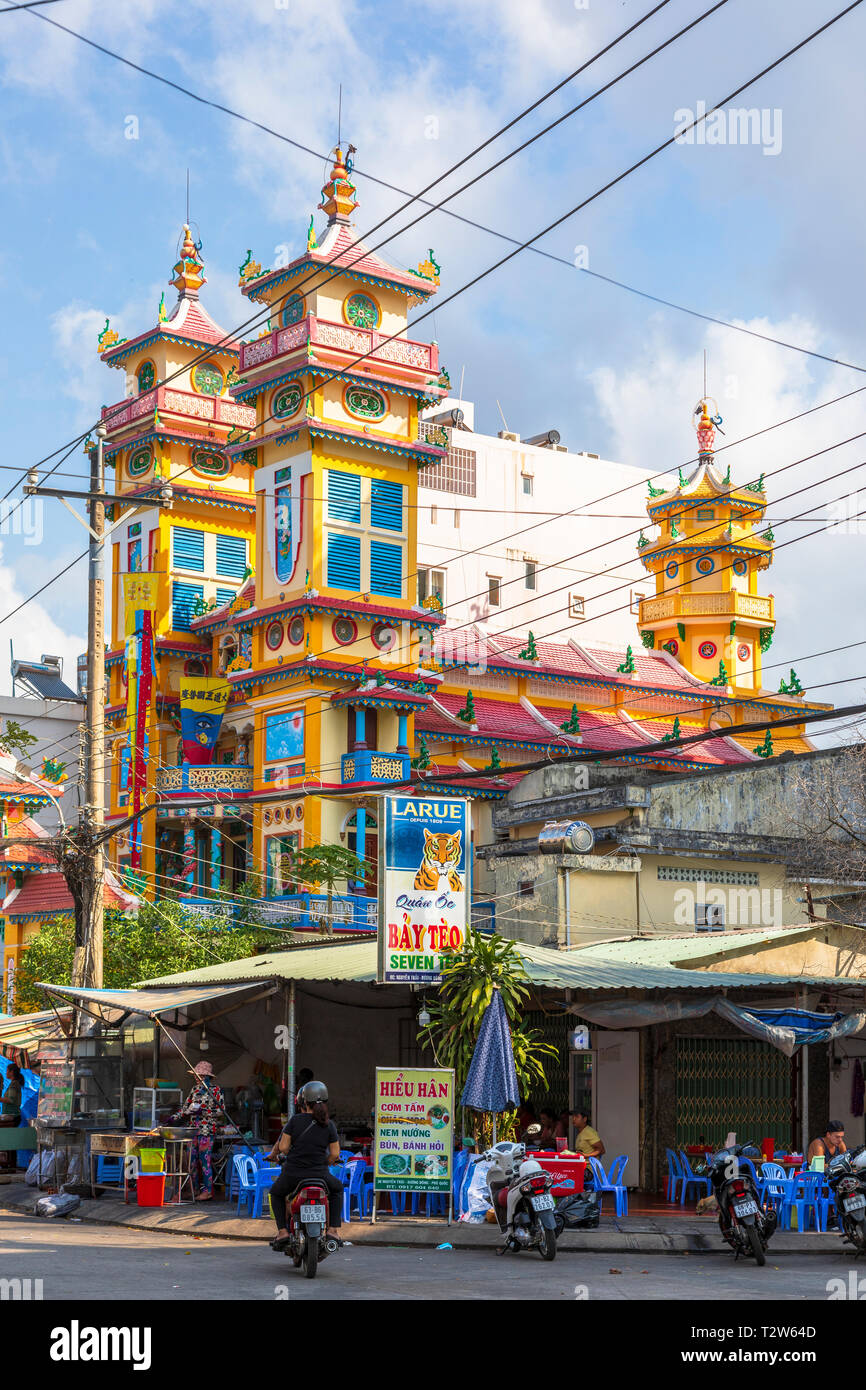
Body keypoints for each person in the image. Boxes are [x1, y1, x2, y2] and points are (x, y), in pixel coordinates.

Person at [269, 1080, 344, 1251]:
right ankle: (332, 1230)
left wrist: (296, 1156)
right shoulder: (329, 1124)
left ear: (303, 1102)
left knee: (276, 1193)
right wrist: (322, 1162)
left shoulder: (295, 1121)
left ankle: (282, 1232)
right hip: (320, 1175)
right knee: (338, 1189)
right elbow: (335, 1154)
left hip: (293, 1174)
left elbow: (283, 1147)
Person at [180, 1060, 224, 1201]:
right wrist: (182, 1114)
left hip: (207, 1131)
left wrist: (204, 1112)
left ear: (206, 1076)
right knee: (190, 1161)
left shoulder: (216, 1090)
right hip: (193, 1131)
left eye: (198, 1075)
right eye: (196, 1075)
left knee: (205, 1161)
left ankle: (207, 1191)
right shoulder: (194, 1090)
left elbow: (221, 1111)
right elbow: (185, 1108)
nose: (196, 1077)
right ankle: (192, 1190)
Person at [0, 1064, 24, 1172]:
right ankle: (8, 1162)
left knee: (8, 1139)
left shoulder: (14, 1085)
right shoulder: (13, 1084)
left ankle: (7, 1161)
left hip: (12, 1116)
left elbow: (11, 1100)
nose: (6, 1073)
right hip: (10, 1115)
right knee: (9, 1140)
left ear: (12, 1072)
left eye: (7, 1071)